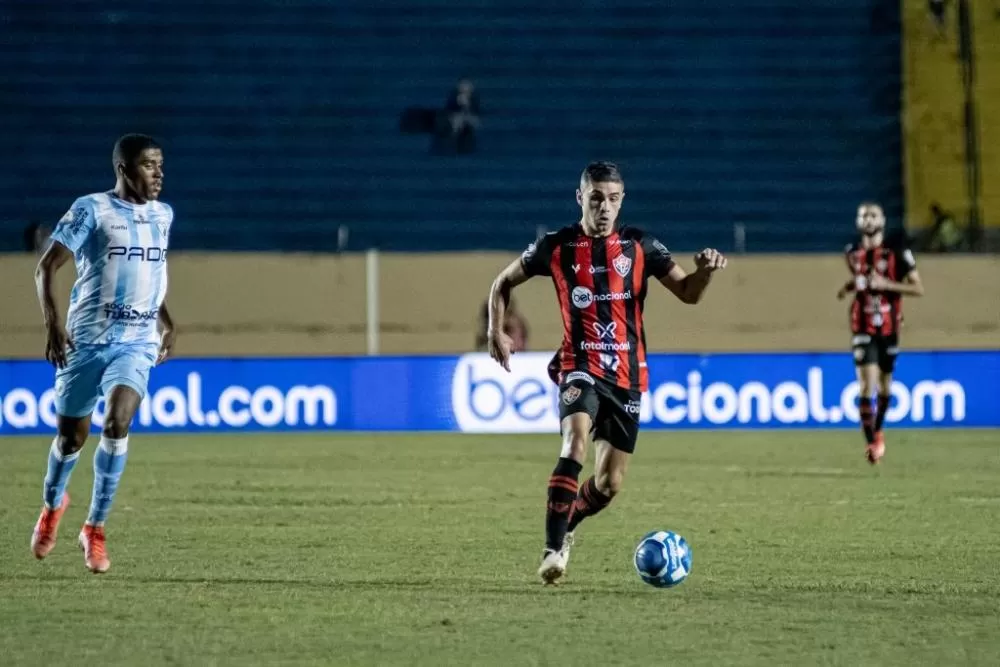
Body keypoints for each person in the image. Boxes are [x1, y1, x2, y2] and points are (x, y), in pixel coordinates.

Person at [484, 161, 727, 584]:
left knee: (609, 484)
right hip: (579, 367)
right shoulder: (556, 246)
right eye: (596, 198)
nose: (605, 207)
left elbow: (688, 293)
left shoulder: (641, 247)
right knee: (574, 443)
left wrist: (704, 273)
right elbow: (502, 282)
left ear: (622, 201)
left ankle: (569, 525)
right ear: (580, 198)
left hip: (628, 378)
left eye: (613, 199)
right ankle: (551, 549)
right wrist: (495, 330)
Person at [30, 133, 176, 574]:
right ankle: (53, 506)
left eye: (161, 165)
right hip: (85, 341)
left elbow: (153, 270)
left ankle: (94, 527)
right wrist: (54, 324)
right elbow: (46, 267)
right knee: (70, 438)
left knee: (117, 422)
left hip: (135, 341)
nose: (159, 173)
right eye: (149, 165)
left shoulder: (164, 215)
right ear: (123, 169)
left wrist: (165, 319)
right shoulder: (92, 209)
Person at [837, 202, 924, 465]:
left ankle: (879, 431)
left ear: (882, 220)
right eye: (864, 215)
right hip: (862, 326)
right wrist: (849, 288)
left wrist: (887, 284)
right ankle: (872, 442)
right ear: (858, 221)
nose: (868, 219)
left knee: (885, 386)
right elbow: (862, 279)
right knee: (866, 385)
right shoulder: (851, 253)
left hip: (889, 327)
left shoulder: (898, 253)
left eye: (873, 215)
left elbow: (918, 288)